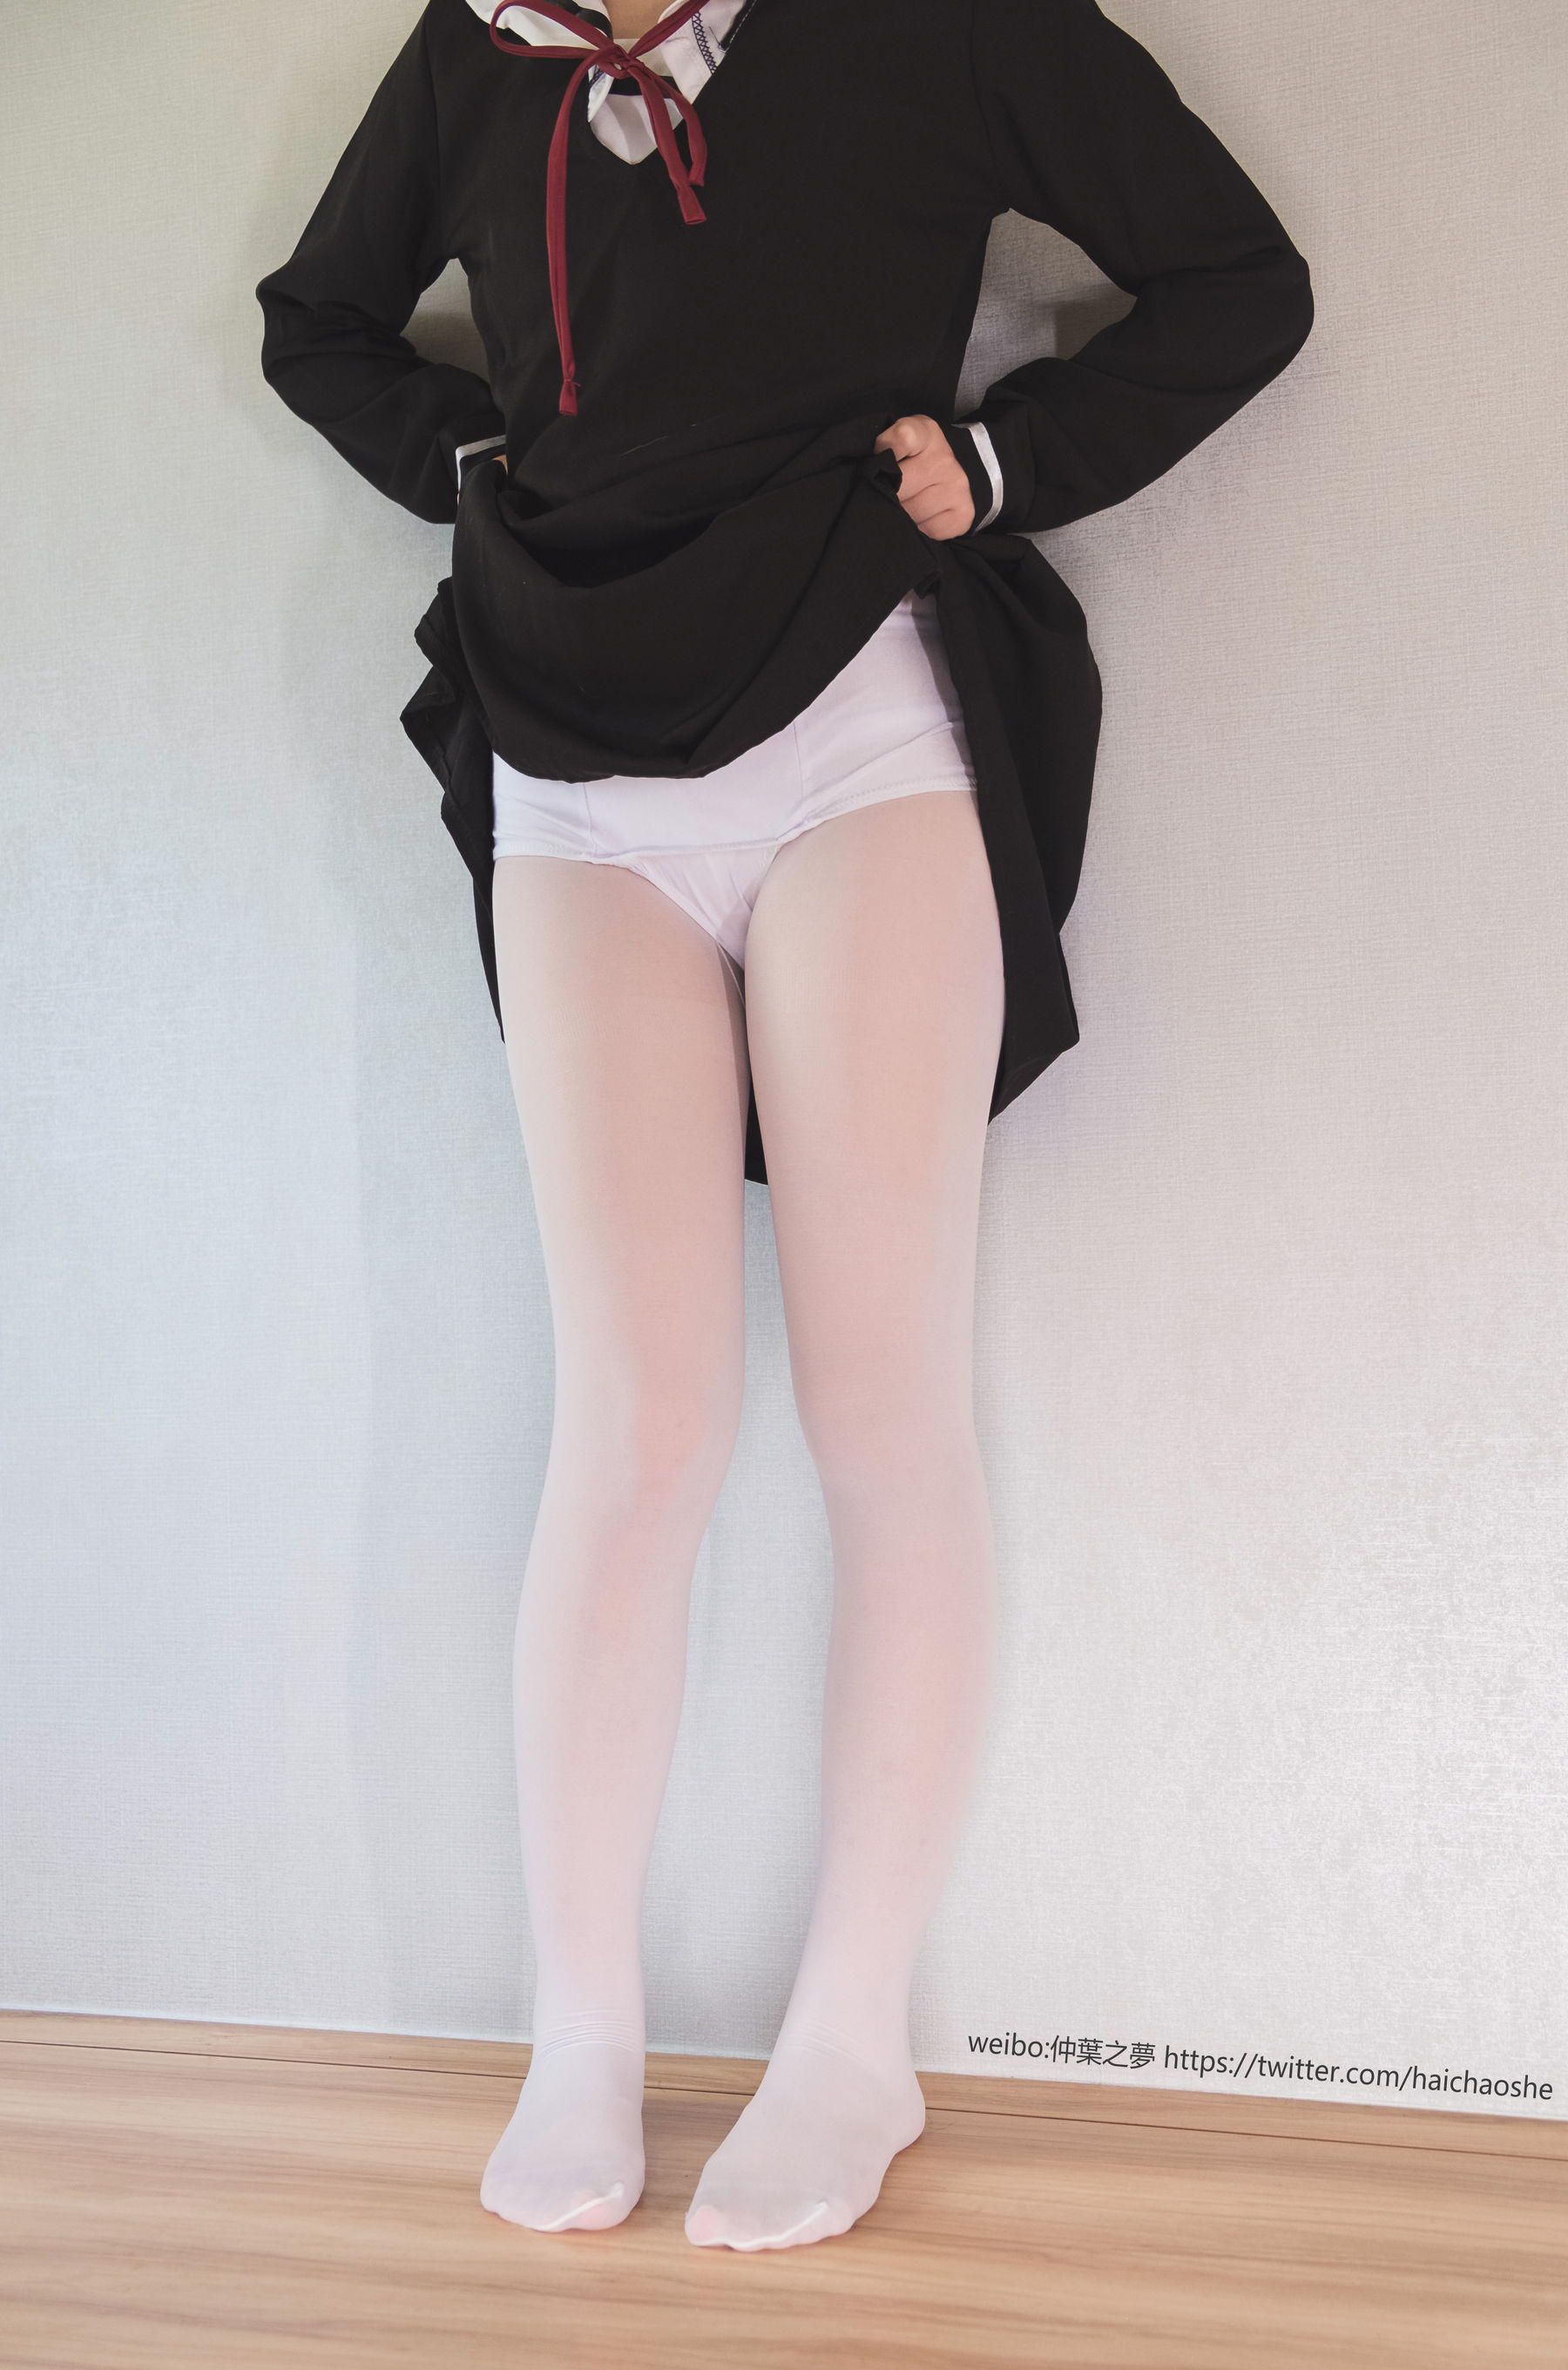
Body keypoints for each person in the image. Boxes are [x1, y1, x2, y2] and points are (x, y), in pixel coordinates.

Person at [256, 0, 1313, 2252]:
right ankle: (583, 2030)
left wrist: (1003, 467)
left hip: (861, 739)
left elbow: (1241, 282)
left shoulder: (945, 22)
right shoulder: (473, 55)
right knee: (633, 1428)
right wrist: (467, 452)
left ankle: (851, 2043)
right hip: (573, 756)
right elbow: (315, 322)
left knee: (879, 1412)